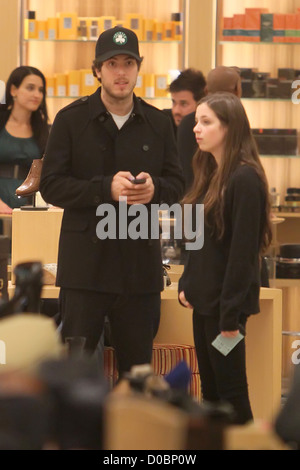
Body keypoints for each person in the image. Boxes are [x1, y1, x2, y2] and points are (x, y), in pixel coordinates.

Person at [40, 26, 184, 378]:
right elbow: (50, 185)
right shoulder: (70, 119)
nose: (121, 72)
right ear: (97, 70)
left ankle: (132, 434)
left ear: (139, 68)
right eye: (112, 63)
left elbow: (179, 183)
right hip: (84, 269)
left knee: (138, 374)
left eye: (129, 63)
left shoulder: (159, 122)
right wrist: (104, 189)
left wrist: (156, 190)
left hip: (139, 268)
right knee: (74, 373)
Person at [178, 92, 272, 424]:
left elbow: (243, 254)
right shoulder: (210, 174)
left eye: (206, 122)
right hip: (204, 303)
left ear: (229, 128)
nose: (196, 129)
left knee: (232, 394)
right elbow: (200, 242)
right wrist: (187, 283)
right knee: (211, 395)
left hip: (226, 311)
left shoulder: (244, 178)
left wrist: (229, 318)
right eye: (196, 122)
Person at [177, 66, 242, 191]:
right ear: (237, 91)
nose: (197, 129)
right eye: (199, 121)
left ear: (206, 90)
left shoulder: (186, 123)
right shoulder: (235, 122)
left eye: (206, 122)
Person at [0, 66, 49, 214]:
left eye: (40, 90)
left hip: (31, 203)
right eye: (30, 88)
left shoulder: (44, 130)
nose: (37, 94)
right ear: (13, 90)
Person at [162, 68, 206, 135]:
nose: (176, 111)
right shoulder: (164, 123)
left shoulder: (207, 133)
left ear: (200, 104)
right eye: (174, 102)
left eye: (184, 104)